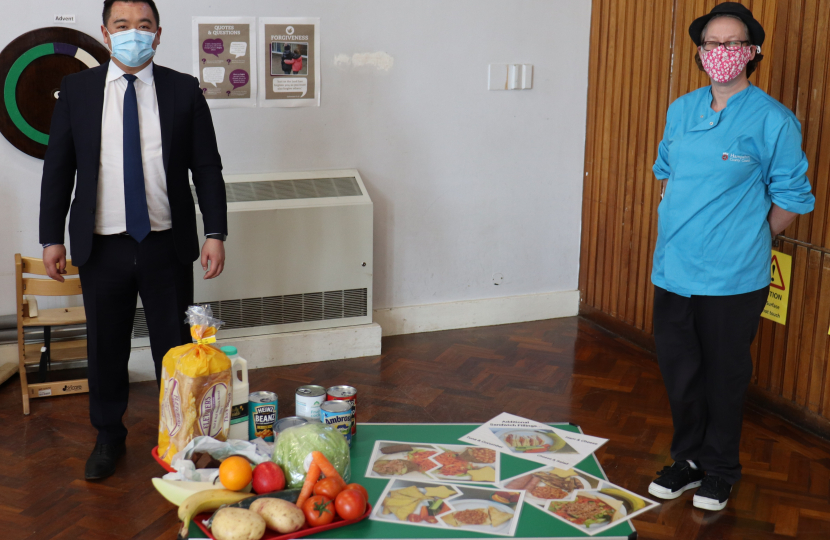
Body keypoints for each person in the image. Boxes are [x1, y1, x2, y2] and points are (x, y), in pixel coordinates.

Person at [39, 0, 228, 480]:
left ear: (158, 34)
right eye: (123, 25)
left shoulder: (183, 90)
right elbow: (58, 169)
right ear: (106, 32)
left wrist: (215, 232)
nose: (133, 33)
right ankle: (108, 437)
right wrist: (51, 237)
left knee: (175, 347)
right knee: (105, 347)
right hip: (102, 246)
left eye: (144, 25)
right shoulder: (77, 90)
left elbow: (207, 167)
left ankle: (180, 438)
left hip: (167, 243)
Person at [647, 2, 815, 511]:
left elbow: (792, 197)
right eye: (712, 44)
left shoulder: (772, 120)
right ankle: (688, 461)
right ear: (701, 53)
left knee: (723, 376)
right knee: (681, 373)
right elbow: (668, 173)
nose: (722, 53)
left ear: (752, 52)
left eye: (732, 44)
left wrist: (746, 236)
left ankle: (720, 470)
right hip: (674, 269)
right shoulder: (682, 109)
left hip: (733, 277)